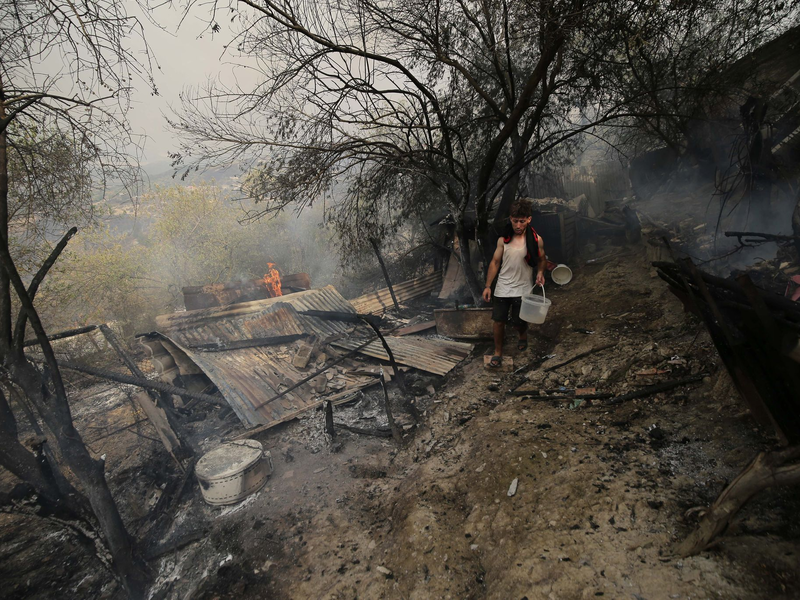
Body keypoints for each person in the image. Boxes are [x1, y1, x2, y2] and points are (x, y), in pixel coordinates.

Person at [482, 199, 545, 367]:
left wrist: (540, 272)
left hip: (523, 288)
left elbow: (541, 259)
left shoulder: (536, 239)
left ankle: (522, 335)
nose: (518, 225)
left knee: (518, 322)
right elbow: (495, 262)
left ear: (529, 219)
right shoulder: (503, 240)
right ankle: (497, 352)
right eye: (515, 220)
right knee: (498, 321)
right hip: (503, 287)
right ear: (510, 219)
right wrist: (488, 286)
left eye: (522, 221)